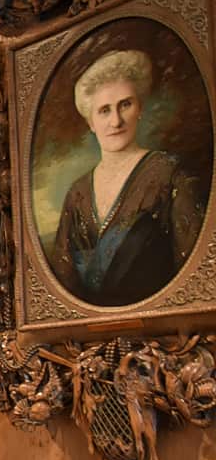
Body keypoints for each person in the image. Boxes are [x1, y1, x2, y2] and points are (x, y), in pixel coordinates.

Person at [48, 49, 204, 307]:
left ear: (139, 108)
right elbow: (64, 282)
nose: (116, 120)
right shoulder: (77, 193)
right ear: (91, 122)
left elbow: (193, 274)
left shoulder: (169, 173)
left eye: (125, 104)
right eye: (104, 111)